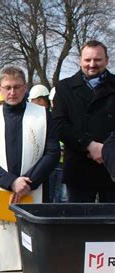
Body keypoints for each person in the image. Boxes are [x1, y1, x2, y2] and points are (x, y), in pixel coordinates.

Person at [0, 66, 60, 272]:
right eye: (7, 88)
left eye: (17, 87)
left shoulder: (42, 115)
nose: (12, 92)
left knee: (35, 242)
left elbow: (52, 152)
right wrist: (11, 181)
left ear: (25, 88)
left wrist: (27, 182)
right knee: (2, 246)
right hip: (3, 190)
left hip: (35, 189)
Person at [52, 40, 115, 202]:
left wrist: (107, 149)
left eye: (98, 60)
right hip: (79, 168)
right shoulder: (64, 88)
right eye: (87, 60)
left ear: (107, 60)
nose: (92, 64)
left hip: (112, 167)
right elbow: (59, 124)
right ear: (80, 60)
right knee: (78, 224)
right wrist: (89, 145)